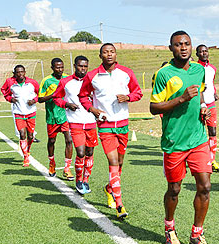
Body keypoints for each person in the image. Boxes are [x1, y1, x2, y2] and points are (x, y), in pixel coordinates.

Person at [150, 30, 212, 244]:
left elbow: (201, 92)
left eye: (186, 44)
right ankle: (169, 227)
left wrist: (203, 107)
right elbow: (153, 107)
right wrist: (182, 98)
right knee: (174, 189)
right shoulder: (164, 74)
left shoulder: (198, 70)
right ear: (171, 48)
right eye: (178, 44)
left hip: (198, 139)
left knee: (204, 186)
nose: (183, 47)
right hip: (175, 141)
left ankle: (197, 233)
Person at [79, 43, 143, 219]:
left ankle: (109, 188)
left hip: (123, 125)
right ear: (100, 56)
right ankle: (119, 204)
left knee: (120, 162)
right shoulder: (92, 76)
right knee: (113, 160)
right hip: (105, 125)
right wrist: (93, 110)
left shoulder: (126, 73)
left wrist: (128, 97)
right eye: (105, 52)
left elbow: (138, 93)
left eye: (112, 52)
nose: (109, 54)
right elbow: (83, 96)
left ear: (116, 54)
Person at [53, 55, 98, 195]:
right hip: (75, 123)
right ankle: (79, 180)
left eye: (85, 66)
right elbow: (56, 98)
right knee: (80, 152)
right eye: (80, 66)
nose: (83, 69)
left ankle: (86, 180)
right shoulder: (66, 82)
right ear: (74, 66)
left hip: (91, 122)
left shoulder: (93, 81)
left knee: (90, 152)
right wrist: (66, 104)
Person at [39, 58, 74, 180]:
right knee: (52, 141)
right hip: (52, 116)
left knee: (69, 140)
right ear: (52, 68)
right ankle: (52, 163)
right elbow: (39, 99)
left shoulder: (68, 78)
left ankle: (67, 168)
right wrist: (52, 96)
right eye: (57, 67)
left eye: (62, 67)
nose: (60, 70)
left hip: (66, 115)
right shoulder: (46, 81)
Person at [1, 65, 39, 167]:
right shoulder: (10, 82)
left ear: (25, 72)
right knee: (22, 134)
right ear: (15, 74)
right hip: (18, 113)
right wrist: (10, 99)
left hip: (31, 113)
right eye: (18, 72)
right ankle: (26, 157)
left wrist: (34, 100)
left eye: (22, 72)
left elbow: (40, 93)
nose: (20, 74)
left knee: (30, 136)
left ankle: (28, 149)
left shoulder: (32, 83)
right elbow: (4, 91)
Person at [196, 44, 219, 173]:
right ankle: (199, 160)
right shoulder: (194, 68)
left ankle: (212, 160)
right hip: (197, 106)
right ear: (197, 54)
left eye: (206, 51)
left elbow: (211, 83)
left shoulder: (212, 68)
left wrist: (214, 92)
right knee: (198, 134)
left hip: (211, 104)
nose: (204, 53)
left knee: (212, 132)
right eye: (201, 52)